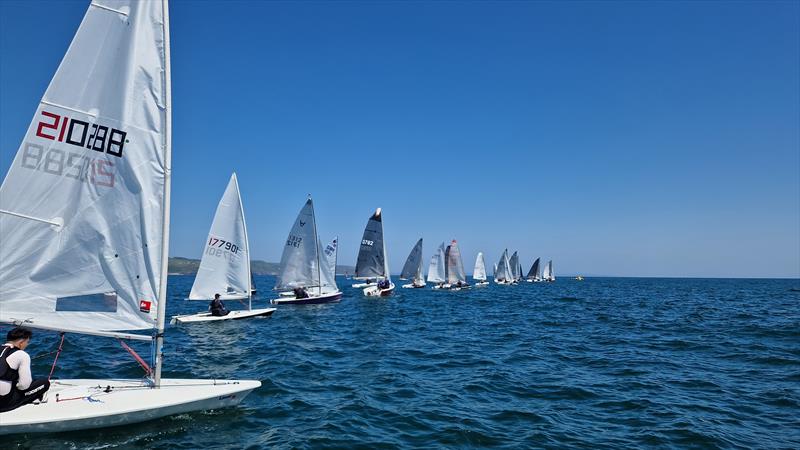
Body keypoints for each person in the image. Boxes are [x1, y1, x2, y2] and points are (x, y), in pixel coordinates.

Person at [0, 327, 51, 413]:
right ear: (21, 343)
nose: (27, 345)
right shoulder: (22, 355)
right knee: (44, 383)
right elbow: (24, 386)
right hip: (4, 403)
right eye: (27, 342)